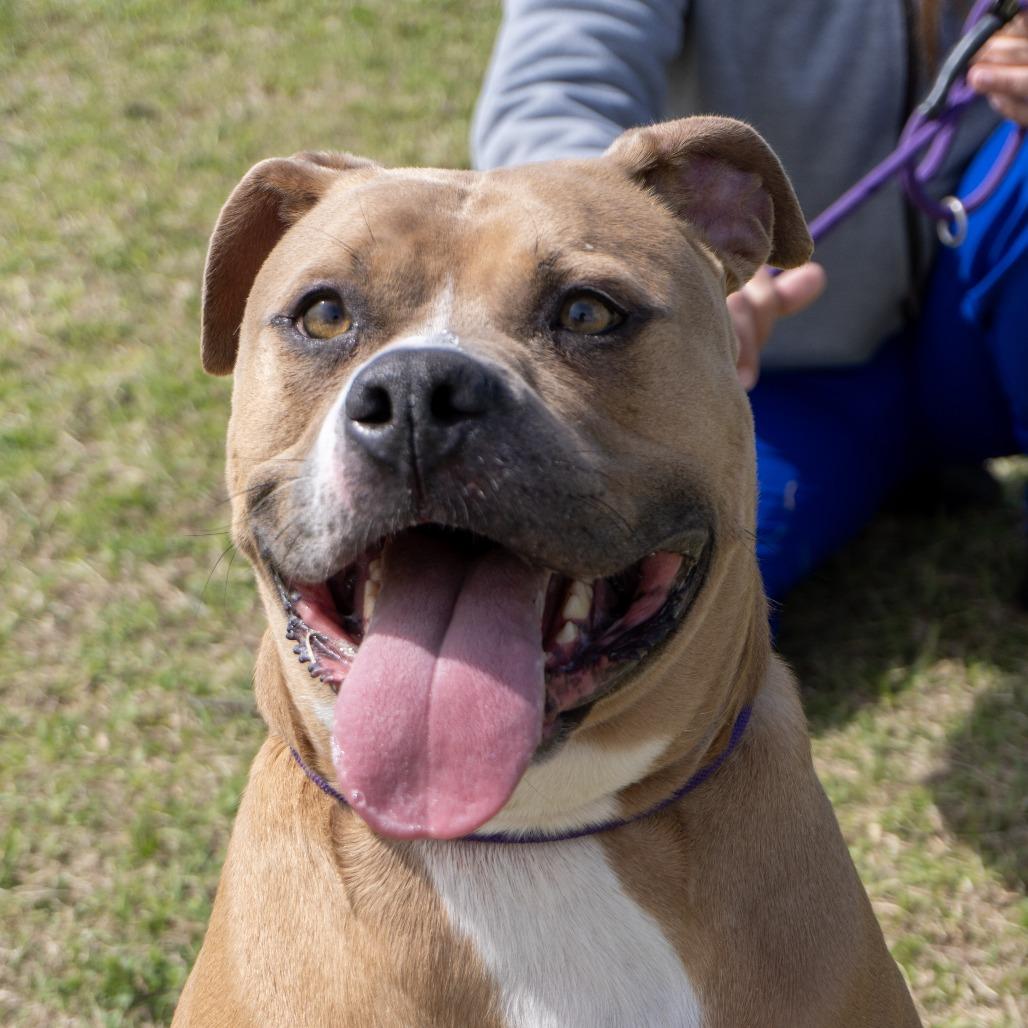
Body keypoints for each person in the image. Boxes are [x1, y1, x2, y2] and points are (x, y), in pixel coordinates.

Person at [472, 1, 1028, 603]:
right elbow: (550, 95)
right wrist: (671, 261)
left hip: (981, 331)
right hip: (762, 376)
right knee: (643, 596)